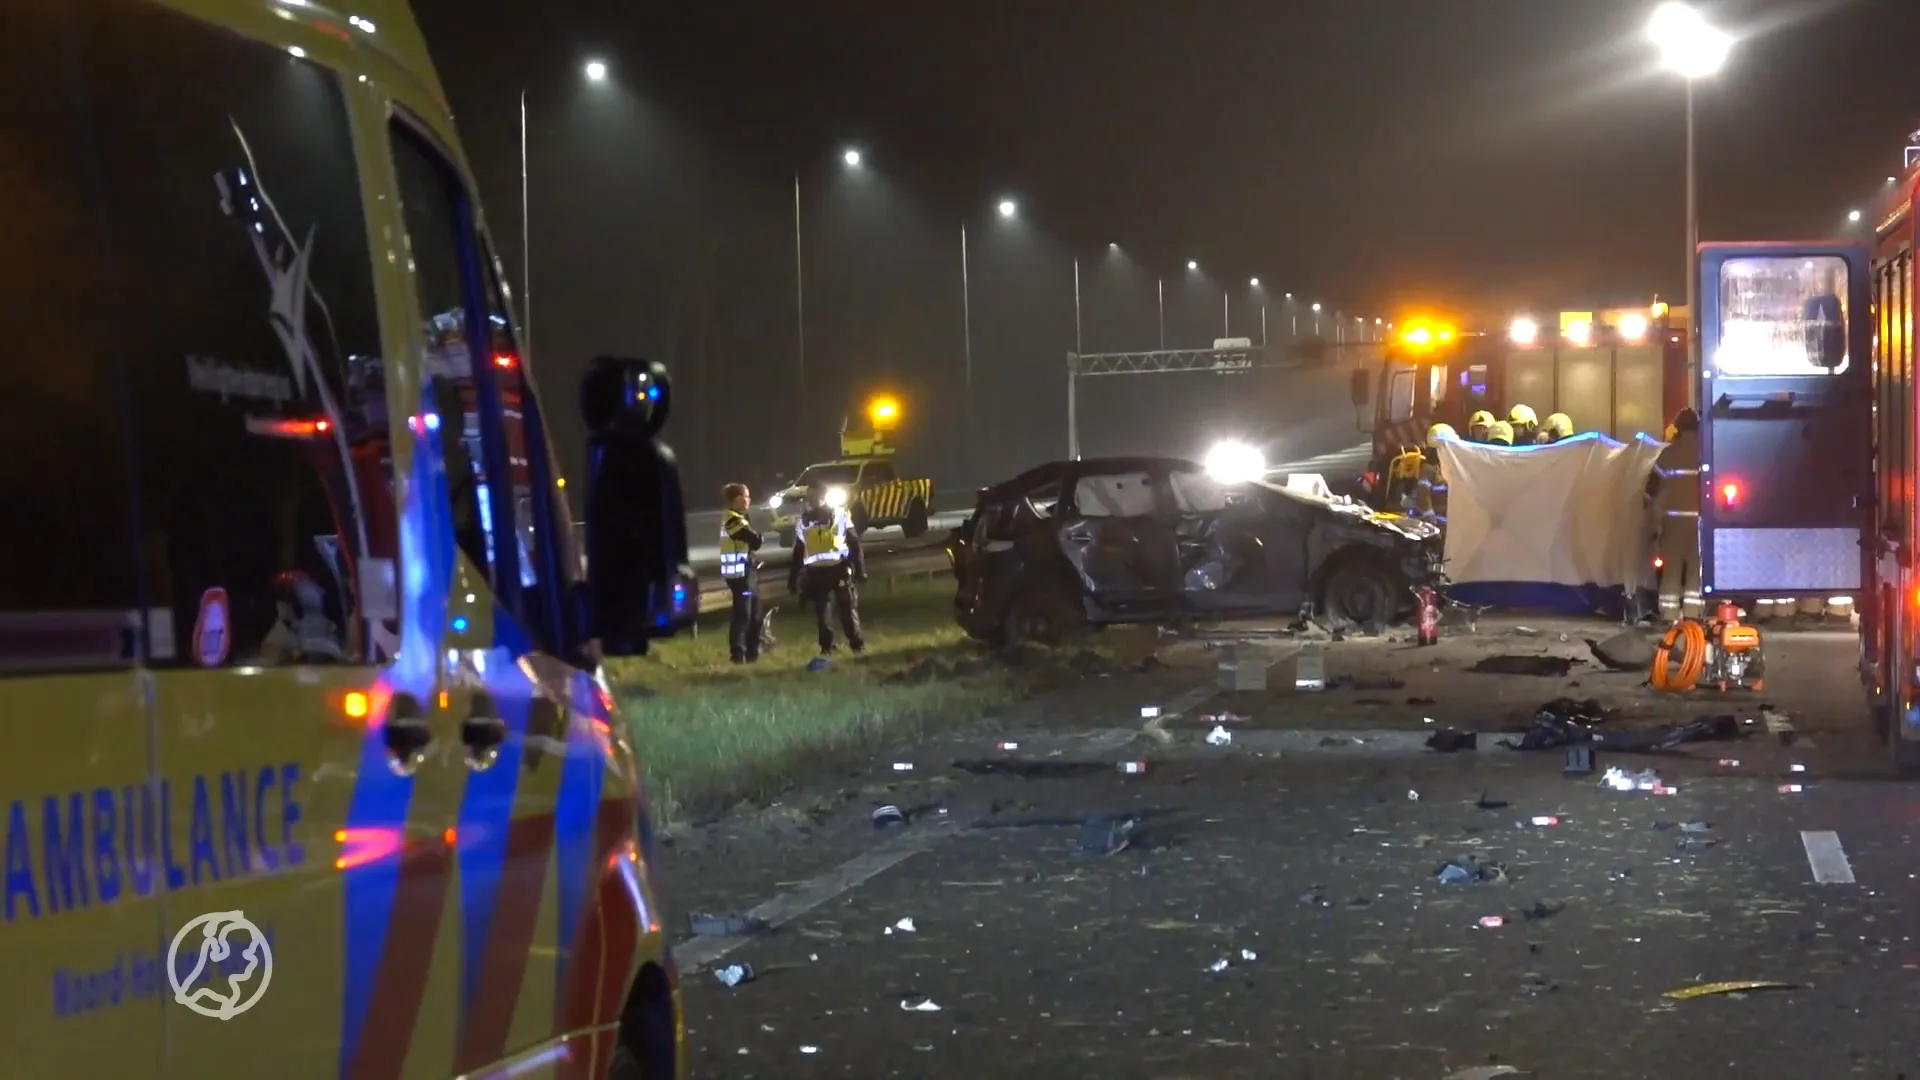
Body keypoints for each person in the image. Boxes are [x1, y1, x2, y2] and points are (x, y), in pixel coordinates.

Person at [788, 480, 867, 655]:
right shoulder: (805, 520)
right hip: (819, 572)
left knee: (842, 609)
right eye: (808, 496)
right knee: (825, 612)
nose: (810, 499)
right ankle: (834, 646)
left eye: (813, 495)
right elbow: (799, 550)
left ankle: (851, 644)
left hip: (834, 569)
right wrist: (793, 578)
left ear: (822, 496)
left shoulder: (837, 515)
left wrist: (861, 569)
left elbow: (854, 543)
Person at [1651, 407, 1702, 621]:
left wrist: (1653, 520)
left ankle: (1669, 613)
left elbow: (1651, 489)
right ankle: (1693, 613)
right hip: (1700, 523)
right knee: (1695, 569)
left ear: (1678, 429)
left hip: (1672, 522)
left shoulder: (1667, 454)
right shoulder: (1707, 452)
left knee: (1671, 569)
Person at [718, 483, 765, 664]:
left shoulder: (739, 517)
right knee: (743, 613)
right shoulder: (732, 519)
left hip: (747, 574)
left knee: (754, 613)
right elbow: (755, 540)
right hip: (740, 576)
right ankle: (738, 654)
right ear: (736, 499)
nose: (748, 500)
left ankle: (752, 652)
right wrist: (757, 537)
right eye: (745, 496)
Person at [1413, 422, 1453, 526]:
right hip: (1439, 526)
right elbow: (1422, 497)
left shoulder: (1450, 468)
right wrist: (1431, 519)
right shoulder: (1429, 470)